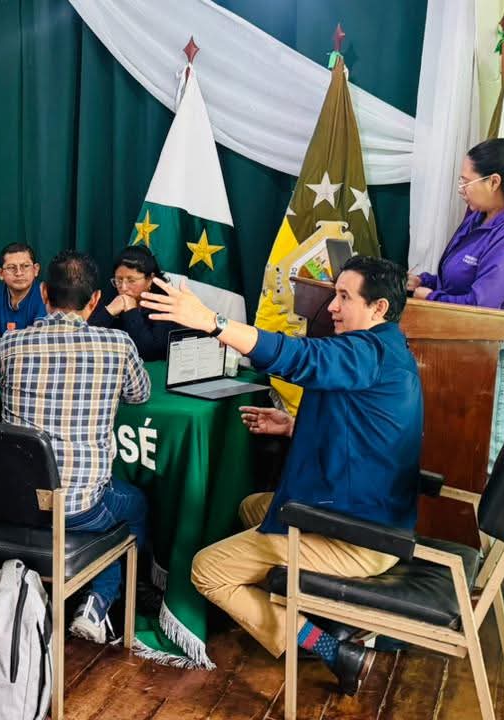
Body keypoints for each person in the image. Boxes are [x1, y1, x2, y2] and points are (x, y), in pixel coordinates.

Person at [142, 256, 421, 696]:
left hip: (358, 535)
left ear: (379, 308)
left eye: (344, 297)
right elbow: (365, 433)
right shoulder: (389, 350)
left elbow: (298, 356)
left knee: (207, 570)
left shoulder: (367, 351)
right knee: (251, 506)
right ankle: (305, 609)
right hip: (373, 514)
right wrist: (294, 427)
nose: (332, 306)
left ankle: (331, 648)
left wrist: (213, 322)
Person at [0, 250, 151, 643]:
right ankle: (103, 601)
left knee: (105, 508)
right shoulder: (117, 344)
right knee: (133, 505)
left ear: (44, 292)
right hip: (82, 509)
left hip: (17, 503)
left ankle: (94, 597)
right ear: (96, 299)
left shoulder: (11, 344)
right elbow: (140, 393)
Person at [408, 137, 504, 469]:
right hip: (465, 349)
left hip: (497, 352)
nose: (461, 189)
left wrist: (431, 298)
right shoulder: (478, 216)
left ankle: (486, 504)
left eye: (466, 181)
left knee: (488, 450)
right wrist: (424, 282)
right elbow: (457, 276)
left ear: (494, 181)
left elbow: (481, 303)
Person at [87, 245, 176, 361]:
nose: (123, 288)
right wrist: (109, 311)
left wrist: (131, 312)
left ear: (150, 279)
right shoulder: (112, 296)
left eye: (131, 280)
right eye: (119, 280)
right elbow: (86, 337)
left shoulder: (164, 305)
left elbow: (149, 353)